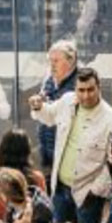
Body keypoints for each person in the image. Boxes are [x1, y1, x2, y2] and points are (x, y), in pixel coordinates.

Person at [31, 67, 112, 223]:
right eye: (81, 90)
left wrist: (95, 192)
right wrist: (38, 106)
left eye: (90, 90)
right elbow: (48, 116)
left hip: (87, 194)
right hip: (60, 188)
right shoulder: (67, 101)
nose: (85, 95)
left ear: (99, 88)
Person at [35, 41, 80, 174]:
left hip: (67, 155)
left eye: (56, 61)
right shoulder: (49, 79)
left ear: (70, 62)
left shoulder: (79, 83)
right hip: (46, 150)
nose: (52, 65)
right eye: (50, 61)